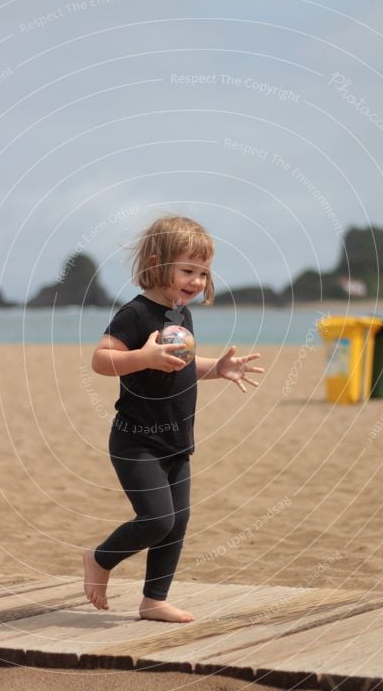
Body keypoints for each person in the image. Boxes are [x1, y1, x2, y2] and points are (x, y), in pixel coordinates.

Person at [83, 215, 263, 623]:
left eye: (203, 272)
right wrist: (142, 357)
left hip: (177, 439)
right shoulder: (135, 314)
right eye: (188, 270)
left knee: (178, 521)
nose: (197, 281)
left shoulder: (181, 314)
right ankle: (99, 559)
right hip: (136, 440)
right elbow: (101, 360)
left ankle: (154, 600)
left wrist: (216, 368)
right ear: (156, 262)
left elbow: (179, 364)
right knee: (157, 519)